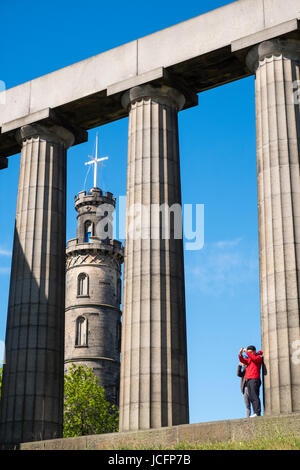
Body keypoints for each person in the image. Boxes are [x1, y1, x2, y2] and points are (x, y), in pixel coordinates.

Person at [238, 346, 263, 417]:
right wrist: (240, 354)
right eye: (248, 352)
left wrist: (246, 352)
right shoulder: (249, 359)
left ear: (254, 351)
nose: (249, 354)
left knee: (255, 396)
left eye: (250, 352)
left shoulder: (258, 357)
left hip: (254, 379)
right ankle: (256, 412)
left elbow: (254, 358)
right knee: (252, 397)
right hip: (248, 379)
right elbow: (243, 360)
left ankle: (257, 412)